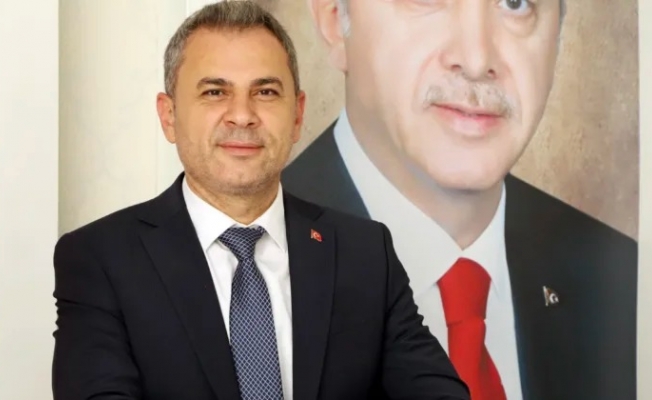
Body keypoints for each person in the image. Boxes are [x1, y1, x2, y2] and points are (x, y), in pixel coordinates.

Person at [51, 2, 469, 400]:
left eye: (265, 92)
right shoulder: (101, 259)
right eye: (215, 92)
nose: (242, 115)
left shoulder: (363, 253)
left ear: (297, 115)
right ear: (169, 116)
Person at [281, 1, 638, 399]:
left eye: (515, 3)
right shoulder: (245, 272)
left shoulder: (629, 284)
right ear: (334, 18)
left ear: (557, 35)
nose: (476, 60)